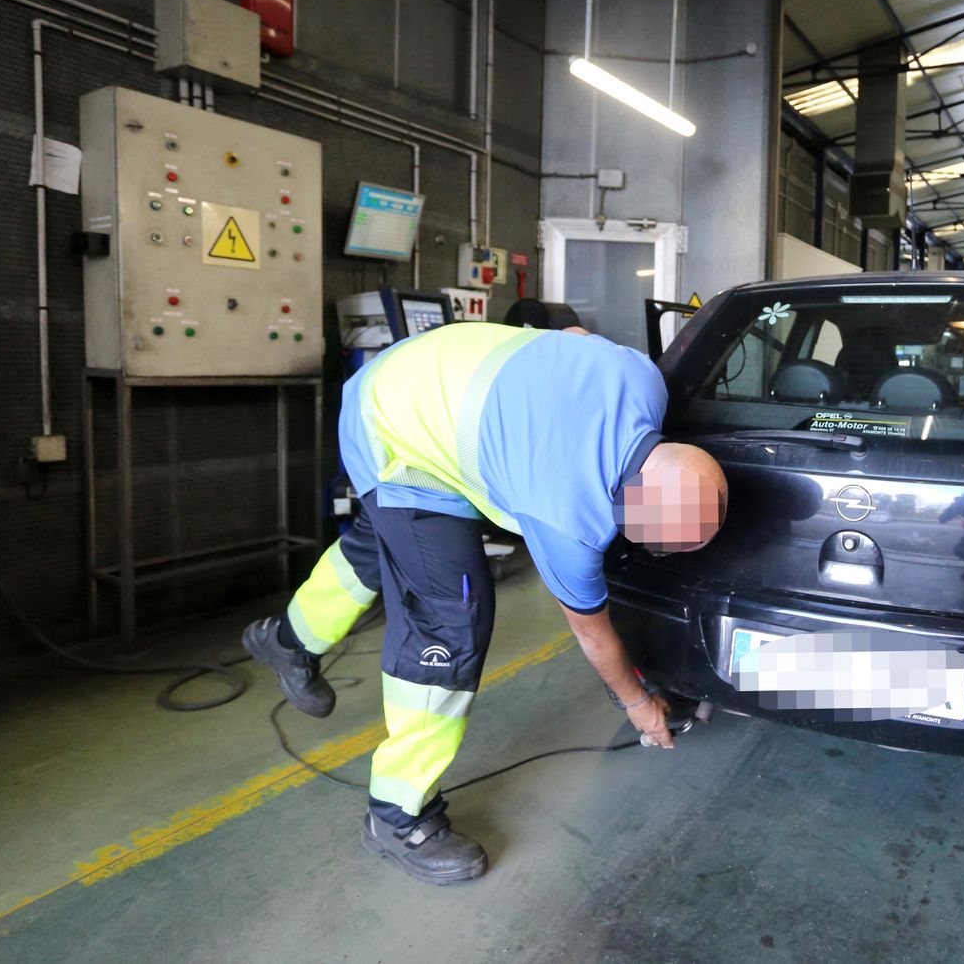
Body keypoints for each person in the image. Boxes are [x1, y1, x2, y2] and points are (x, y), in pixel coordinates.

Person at [241, 321, 727, 886]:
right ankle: (398, 814)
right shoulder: (567, 516)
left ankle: (286, 642)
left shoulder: (643, 380)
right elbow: (593, 635)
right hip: (392, 432)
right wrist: (638, 704)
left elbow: (571, 333)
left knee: (382, 546)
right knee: (452, 619)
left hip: (420, 373)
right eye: (665, 543)